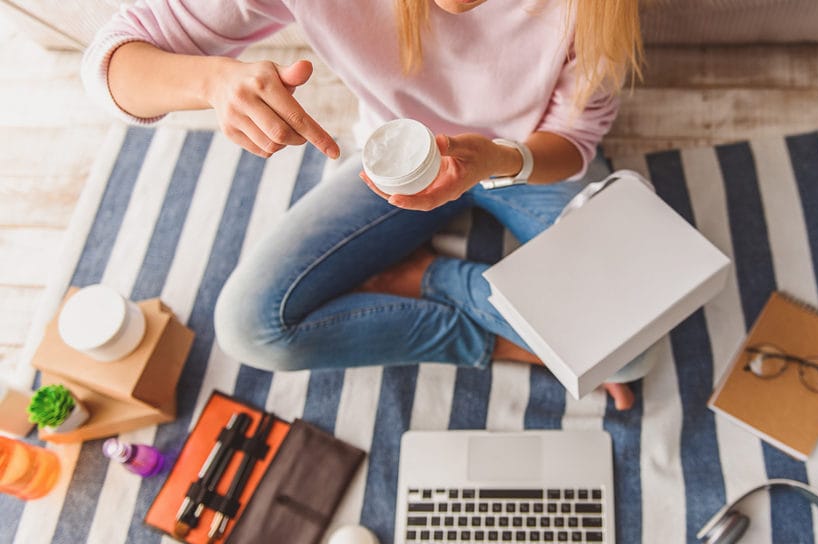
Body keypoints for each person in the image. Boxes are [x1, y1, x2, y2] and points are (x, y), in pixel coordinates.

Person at [82, 0, 644, 410]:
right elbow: (109, 65)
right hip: (399, 162)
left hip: (516, 158)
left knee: (631, 356)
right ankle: (476, 312)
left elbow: (574, 141)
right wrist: (212, 82)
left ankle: (425, 278)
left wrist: (497, 161)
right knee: (250, 327)